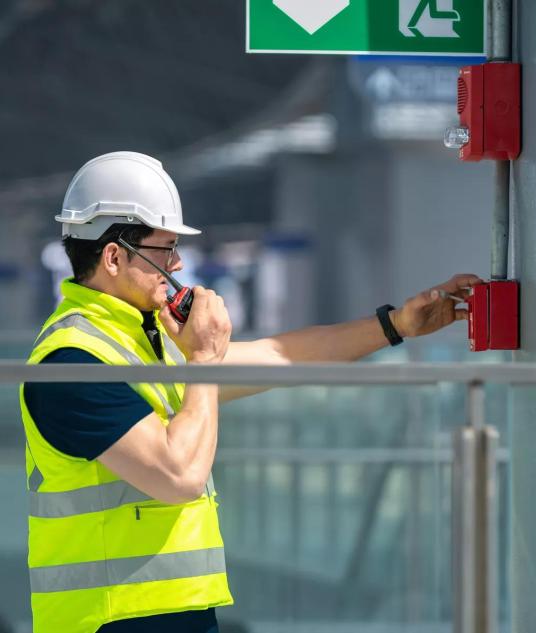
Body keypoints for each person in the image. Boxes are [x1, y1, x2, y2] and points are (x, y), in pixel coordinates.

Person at [21, 152, 481, 633]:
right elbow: (178, 475)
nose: (178, 265)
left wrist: (396, 325)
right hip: (110, 622)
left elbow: (282, 355)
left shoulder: (140, 342)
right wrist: (203, 358)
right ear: (114, 256)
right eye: (165, 250)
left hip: (168, 614)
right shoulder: (73, 362)